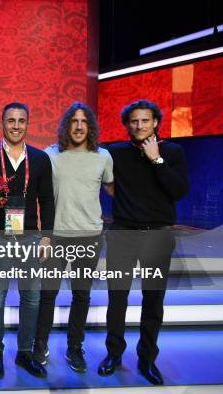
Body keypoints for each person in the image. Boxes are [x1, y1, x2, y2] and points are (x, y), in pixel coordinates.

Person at [97, 100, 189, 385]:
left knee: (153, 300)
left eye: (145, 121)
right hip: (123, 232)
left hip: (158, 235)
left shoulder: (172, 151)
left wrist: (156, 159)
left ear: (155, 123)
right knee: (118, 298)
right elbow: (106, 181)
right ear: (127, 125)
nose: (139, 126)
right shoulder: (116, 152)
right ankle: (114, 353)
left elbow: (179, 190)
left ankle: (147, 359)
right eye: (134, 121)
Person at [0, 102, 54, 379]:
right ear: (2, 122)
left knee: (31, 298)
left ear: (28, 123)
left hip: (31, 237)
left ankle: (24, 353)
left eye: (21, 120)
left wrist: (47, 236)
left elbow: (46, 200)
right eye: (11, 120)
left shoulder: (41, 158)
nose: (16, 125)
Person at [34, 102, 114, 372]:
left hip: (89, 237)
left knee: (81, 296)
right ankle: (39, 345)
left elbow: (115, 190)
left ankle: (74, 348)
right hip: (55, 237)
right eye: (74, 121)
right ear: (66, 125)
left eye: (84, 122)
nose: (79, 127)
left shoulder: (103, 157)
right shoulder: (50, 155)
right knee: (48, 295)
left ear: (90, 127)